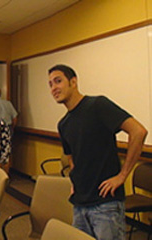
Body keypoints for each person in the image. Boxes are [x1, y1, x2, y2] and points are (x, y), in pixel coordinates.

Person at [48, 64, 147, 240]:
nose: (54, 88)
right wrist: (75, 180)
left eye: (58, 81)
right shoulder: (63, 124)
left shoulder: (97, 105)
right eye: (50, 84)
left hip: (105, 204)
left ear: (73, 82)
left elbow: (138, 132)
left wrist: (122, 175)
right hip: (79, 204)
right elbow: (73, 159)